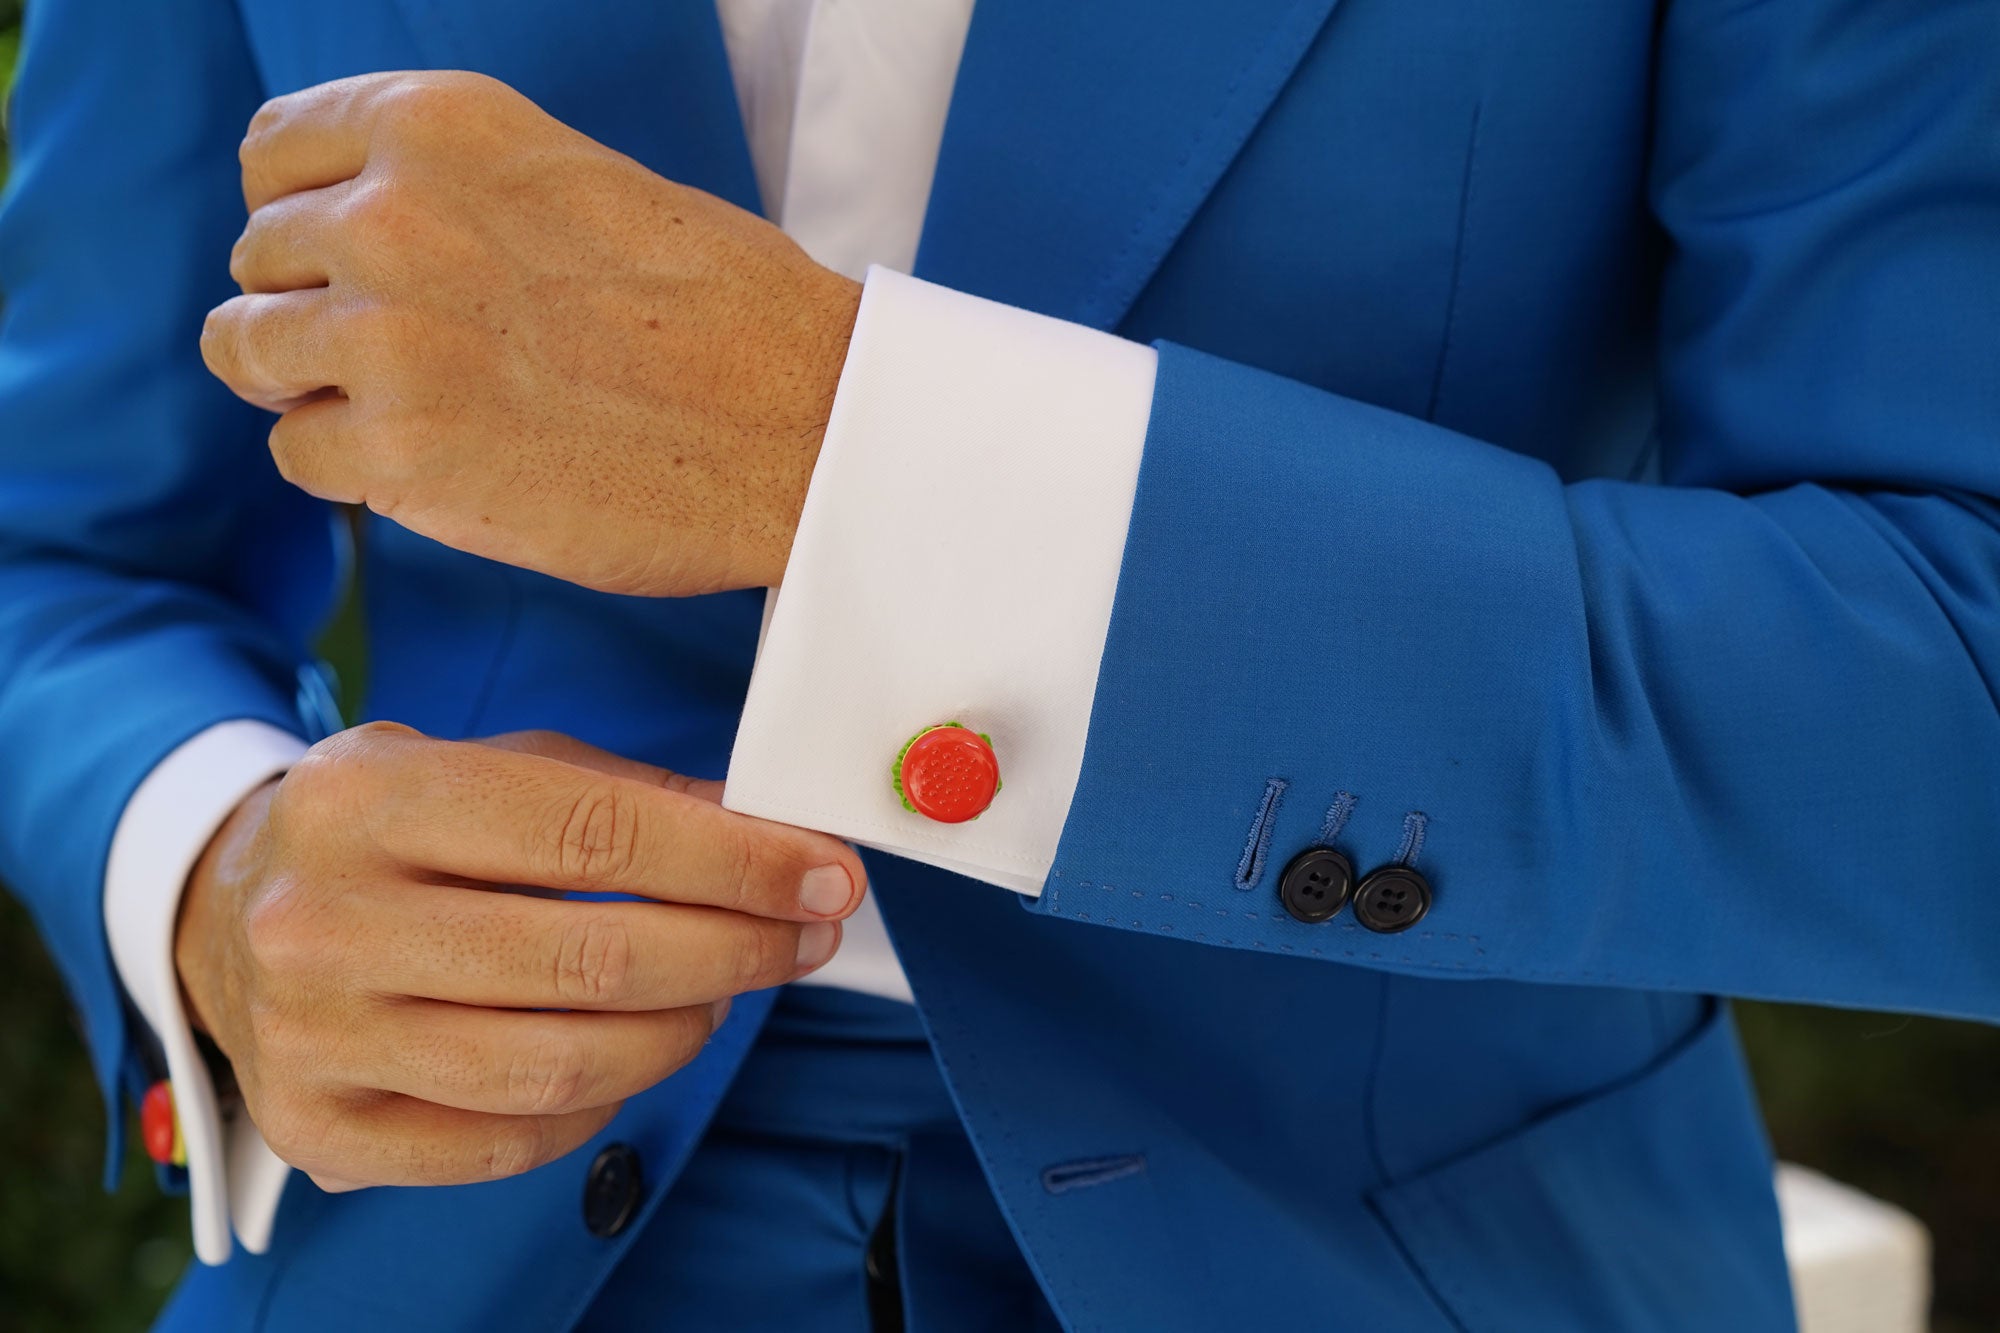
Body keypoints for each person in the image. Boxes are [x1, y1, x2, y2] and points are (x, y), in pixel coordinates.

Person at [2, 0, 1996, 1328]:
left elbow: (1951, 694)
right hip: (456, 1250)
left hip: (1388, 1251)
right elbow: (58, 543)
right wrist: (207, 869)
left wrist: (864, 456)